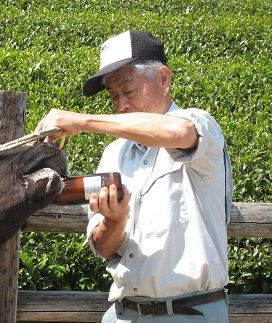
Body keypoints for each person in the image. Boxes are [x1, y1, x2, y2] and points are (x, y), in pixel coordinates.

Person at [36, 30, 233, 322]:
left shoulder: (198, 122)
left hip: (189, 314)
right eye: (113, 95)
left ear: (164, 79)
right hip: (123, 313)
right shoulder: (113, 154)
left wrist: (83, 121)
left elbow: (176, 132)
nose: (120, 105)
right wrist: (114, 220)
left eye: (128, 91)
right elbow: (104, 248)